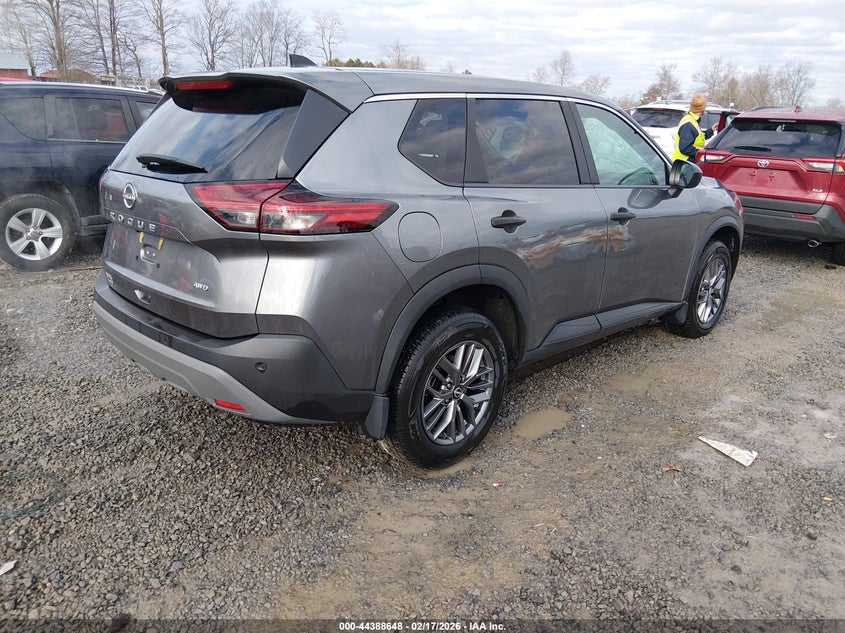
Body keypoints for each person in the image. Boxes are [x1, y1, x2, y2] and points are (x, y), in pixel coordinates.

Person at [671, 93, 718, 162]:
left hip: (685, 163)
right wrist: (701, 153)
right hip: (685, 164)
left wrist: (711, 130)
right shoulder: (689, 124)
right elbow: (685, 148)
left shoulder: (691, 120)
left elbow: (698, 137)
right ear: (702, 109)